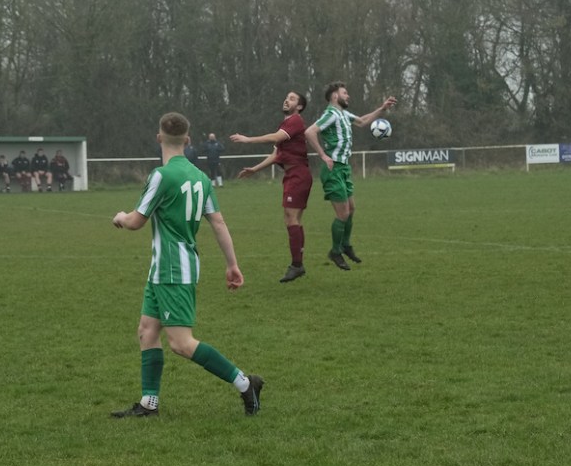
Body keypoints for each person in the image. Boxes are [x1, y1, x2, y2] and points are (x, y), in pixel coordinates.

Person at [110, 112, 263, 418]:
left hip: (173, 269)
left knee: (181, 343)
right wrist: (232, 264)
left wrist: (121, 217)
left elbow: (136, 221)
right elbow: (218, 222)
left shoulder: (161, 176)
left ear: (159, 138)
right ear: (188, 140)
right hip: (164, 268)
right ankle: (149, 403)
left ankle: (246, 383)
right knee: (147, 330)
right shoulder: (201, 178)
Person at [304, 83, 396, 270]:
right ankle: (335, 252)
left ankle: (345, 245)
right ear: (334, 96)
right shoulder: (331, 114)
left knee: (351, 209)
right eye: (344, 93)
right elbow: (309, 132)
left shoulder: (343, 114)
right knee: (343, 213)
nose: (348, 96)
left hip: (344, 168)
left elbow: (362, 121)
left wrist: (382, 108)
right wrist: (323, 155)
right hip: (333, 169)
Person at [231, 91, 313, 282]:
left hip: (298, 175)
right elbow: (276, 155)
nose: (286, 100)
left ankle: (297, 265)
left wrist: (248, 139)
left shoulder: (295, 121)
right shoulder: (287, 124)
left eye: (292, 98)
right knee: (293, 219)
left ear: (299, 106)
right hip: (294, 175)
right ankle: (298, 264)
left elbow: (275, 138)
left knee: (291, 218)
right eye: (286, 97)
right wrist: (255, 169)